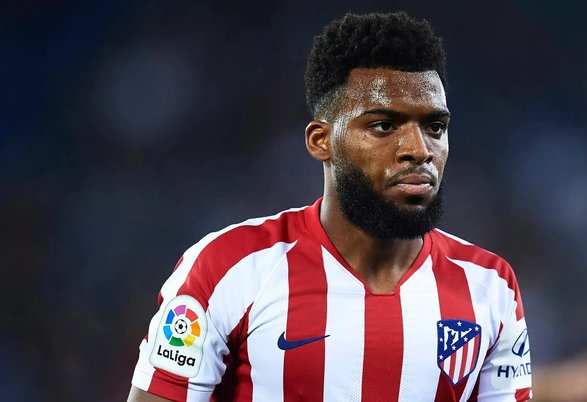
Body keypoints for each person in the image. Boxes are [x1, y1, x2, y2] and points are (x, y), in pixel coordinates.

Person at [128, 11, 532, 402]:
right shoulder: (228, 268)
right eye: (384, 126)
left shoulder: (490, 286)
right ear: (321, 141)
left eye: (435, 127)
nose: (419, 149)